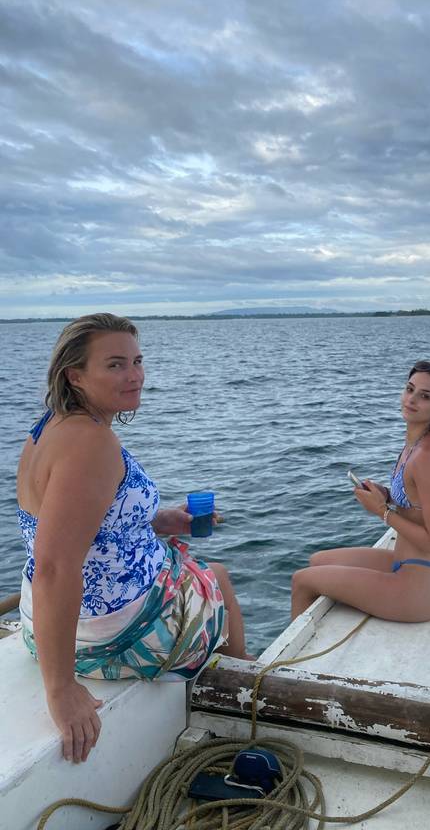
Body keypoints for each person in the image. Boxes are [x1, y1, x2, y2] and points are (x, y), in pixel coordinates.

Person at [15, 313, 252, 765]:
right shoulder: (91, 443)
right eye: (116, 364)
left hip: (39, 623)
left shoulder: (50, 426)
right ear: (76, 375)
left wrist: (164, 521)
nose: (135, 376)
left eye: (138, 361)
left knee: (187, 562)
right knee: (215, 576)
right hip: (106, 634)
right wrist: (61, 690)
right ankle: (244, 696)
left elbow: (90, 525)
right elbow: (55, 566)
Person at [291, 361, 430, 622]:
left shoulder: (428, 457)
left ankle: (288, 665)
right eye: (410, 390)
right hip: (408, 563)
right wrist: (386, 494)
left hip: (422, 584)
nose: (412, 399)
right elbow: (416, 499)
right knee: (317, 560)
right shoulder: (417, 442)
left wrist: (382, 511)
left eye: (425, 396)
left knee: (302, 581)